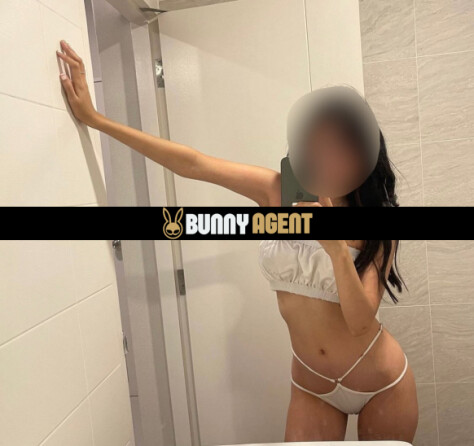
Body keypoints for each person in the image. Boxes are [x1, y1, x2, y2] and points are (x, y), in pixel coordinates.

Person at [57, 40, 418, 441]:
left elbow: (360, 322)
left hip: (379, 380)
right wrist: (96, 120)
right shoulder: (279, 191)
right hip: (312, 385)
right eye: (317, 144)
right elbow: (194, 164)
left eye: (339, 148)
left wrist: (335, 249)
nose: (326, 158)